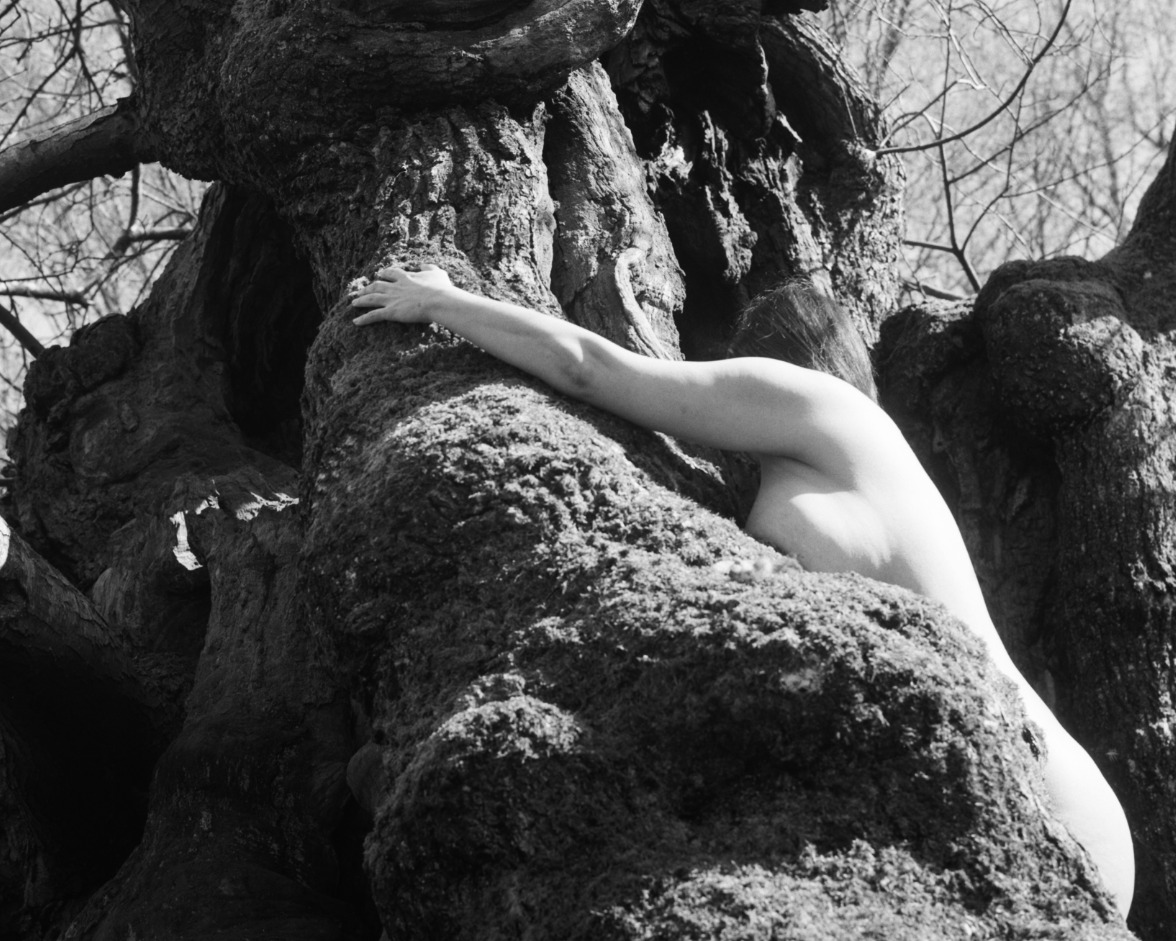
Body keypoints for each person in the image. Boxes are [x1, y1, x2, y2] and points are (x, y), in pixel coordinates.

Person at [350, 264, 1135, 916]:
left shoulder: (812, 402)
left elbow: (588, 371)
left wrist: (442, 300)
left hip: (1027, 788)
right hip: (1043, 798)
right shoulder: (860, 470)